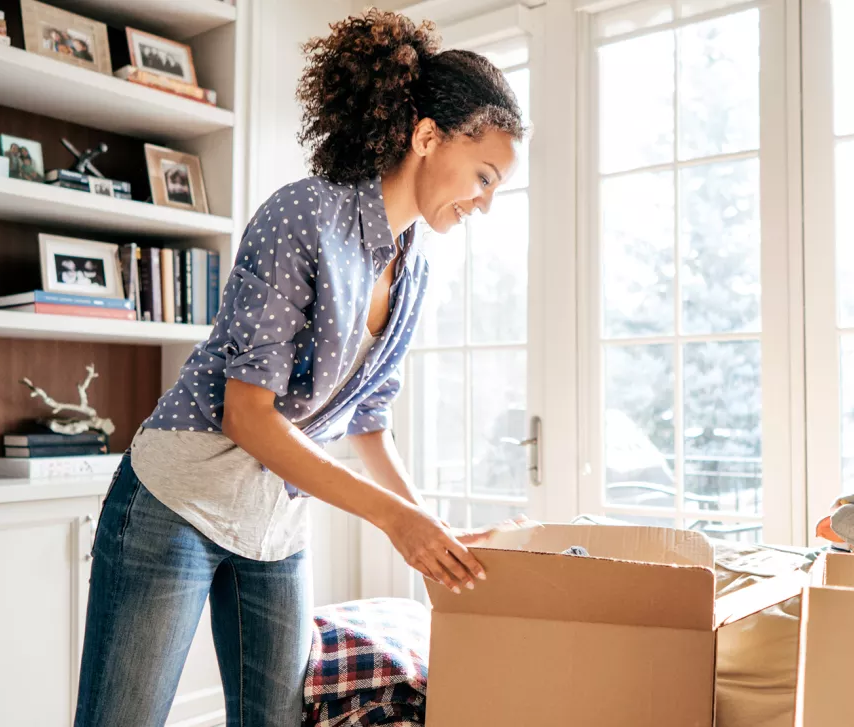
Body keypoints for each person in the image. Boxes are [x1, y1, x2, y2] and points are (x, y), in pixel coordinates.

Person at [73, 10, 525, 727]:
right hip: (175, 501)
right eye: (484, 176)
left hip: (275, 524)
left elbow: (369, 419)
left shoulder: (415, 266)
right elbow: (245, 414)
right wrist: (392, 519)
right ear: (428, 136)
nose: (486, 202)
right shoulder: (304, 216)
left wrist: (423, 525)